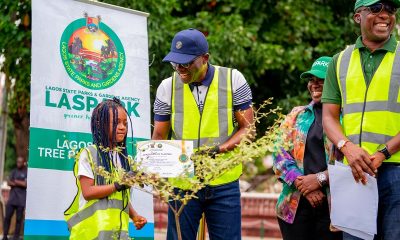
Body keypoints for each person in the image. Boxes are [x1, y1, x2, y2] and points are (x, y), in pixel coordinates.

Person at [152, 28, 254, 239]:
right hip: (182, 184)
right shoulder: (166, 87)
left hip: (223, 181)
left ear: (205, 58)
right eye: (175, 63)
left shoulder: (233, 79)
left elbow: (248, 128)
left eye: (186, 63)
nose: (179, 69)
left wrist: (219, 149)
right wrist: (154, 168)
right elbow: (159, 137)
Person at [322, 0, 400, 239]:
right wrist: (348, 148)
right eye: (376, 9)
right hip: (354, 171)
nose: (384, 15)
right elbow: (329, 117)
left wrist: (383, 153)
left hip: (396, 172)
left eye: (390, 9)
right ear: (358, 17)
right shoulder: (340, 60)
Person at [272, 56, 342, 240]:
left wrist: (320, 180)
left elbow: (350, 159)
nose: (314, 84)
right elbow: (278, 154)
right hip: (295, 207)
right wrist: (305, 185)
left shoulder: (346, 118)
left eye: (321, 80)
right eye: (312, 80)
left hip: (335, 208)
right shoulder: (297, 115)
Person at [64, 98, 147, 239]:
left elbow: (120, 195)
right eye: (116, 122)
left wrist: (134, 216)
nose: (122, 127)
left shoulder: (123, 158)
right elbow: (88, 192)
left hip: (116, 233)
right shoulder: (90, 153)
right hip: (89, 233)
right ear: (101, 124)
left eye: (125, 123)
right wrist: (117, 185)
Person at [2, 157, 27, 240]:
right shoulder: (14, 171)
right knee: (7, 217)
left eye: (20, 162)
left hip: (21, 200)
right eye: (17, 162)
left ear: (23, 162)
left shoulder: (26, 172)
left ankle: (15, 237)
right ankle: (5, 236)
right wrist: (20, 182)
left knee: (19, 219)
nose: (18, 163)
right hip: (12, 199)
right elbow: (9, 182)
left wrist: (15, 181)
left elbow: (25, 184)